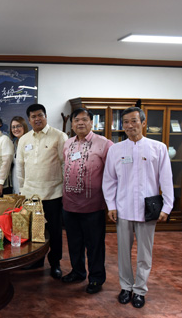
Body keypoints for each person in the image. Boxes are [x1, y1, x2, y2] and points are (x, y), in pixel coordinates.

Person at [103, 107, 173, 309]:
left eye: (134, 121)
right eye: (125, 122)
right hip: (123, 209)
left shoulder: (158, 148)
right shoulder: (116, 150)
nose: (129, 125)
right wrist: (111, 205)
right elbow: (109, 180)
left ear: (143, 122)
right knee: (123, 252)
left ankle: (140, 289)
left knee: (145, 253)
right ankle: (126, 287)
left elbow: (166, 180)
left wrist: (167, 207)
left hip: (148, 210)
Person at [61, 108, 113, 294]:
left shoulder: (104, 144)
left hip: (93, 205)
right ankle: (77, 272)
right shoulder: (67, 144)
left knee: (94, 244)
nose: (80, 123)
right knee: (74, 242)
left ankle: (96, 278)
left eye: (84, 119)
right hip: (69, 203)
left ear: (92, 122)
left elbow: (112, 173)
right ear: (72, 124)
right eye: (76, 120)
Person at [17, 103, 68, 279]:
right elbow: (20, 167)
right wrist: (23, 190)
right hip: (31, 194)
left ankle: (55, 263)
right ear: (29, 120)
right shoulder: (24, 139)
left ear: (45, 116)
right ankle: (36, 260)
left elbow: (64, 164)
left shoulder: (59, 136)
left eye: (40, 115)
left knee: (54, 231)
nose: (37, 119)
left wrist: (63, 189)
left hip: (53, 192)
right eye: (33, 116)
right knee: (34, 231)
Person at [9, 116, 29, 194]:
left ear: (24, 126)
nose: (15, 129)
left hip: (27, 177)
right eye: (13, 127)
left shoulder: (29, 141)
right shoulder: (13, 144)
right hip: (16, 177)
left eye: (18, 126)